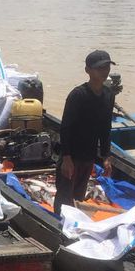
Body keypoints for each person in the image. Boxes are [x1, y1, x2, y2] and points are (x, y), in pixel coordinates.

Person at [53, 49, 116, 216]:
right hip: (72, 155)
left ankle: (75, 221)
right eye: (99, 68)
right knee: (64, 197)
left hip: (89, 155)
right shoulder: (78, 95)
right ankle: (58, 223)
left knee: (78, 196)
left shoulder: (108, 95)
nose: (104, 71)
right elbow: (65, 127)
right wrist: (66, 159)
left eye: (106, 67)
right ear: (88, 70)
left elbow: (105, 127)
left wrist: (106, 156)